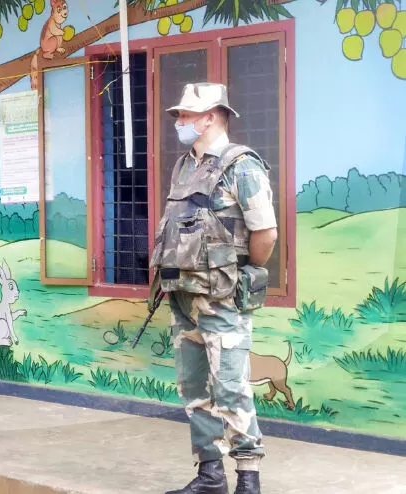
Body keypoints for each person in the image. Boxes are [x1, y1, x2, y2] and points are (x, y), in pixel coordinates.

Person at [152, 83, 277, 494]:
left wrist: (242, 273)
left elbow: (266, 233)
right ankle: (210, 475)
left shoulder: (242, 165)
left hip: (223, 298)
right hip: (184, 295)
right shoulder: (184, 165)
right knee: (193, 387)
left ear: (210, 117)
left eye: (186, 115)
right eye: (179, 115)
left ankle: (248, 477)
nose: (179, 121)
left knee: (231, 387)